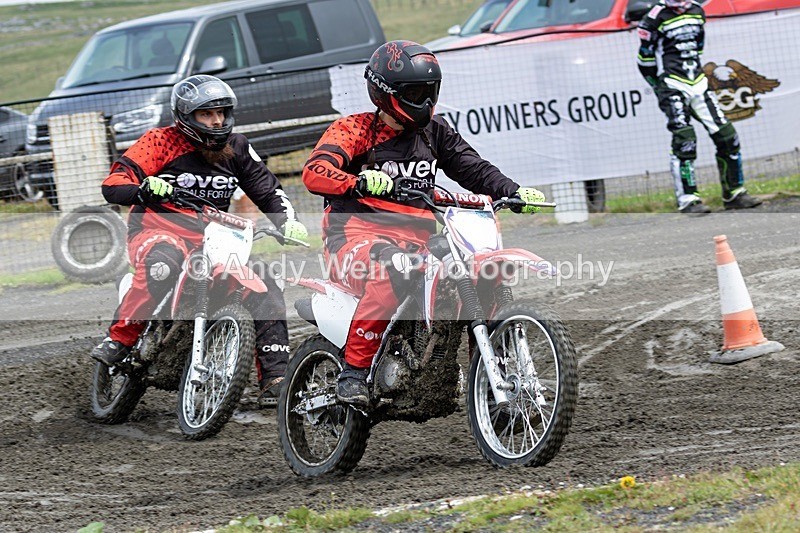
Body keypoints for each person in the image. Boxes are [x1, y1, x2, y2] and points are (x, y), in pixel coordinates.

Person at [301, 40, 546, 406]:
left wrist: (512, 190)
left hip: (418, 240)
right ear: (385, 93)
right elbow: (314, 171)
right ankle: (354, 371)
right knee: (390, 269)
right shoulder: (353, 130)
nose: (425, 101)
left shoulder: (434, 131)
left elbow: (471, 167)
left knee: (480, 276)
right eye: (415, 93)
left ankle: (495, 392)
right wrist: (357, 181)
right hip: (354, 238)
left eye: (430, 91)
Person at [91, 74, 308, 403]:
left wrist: (287, 221)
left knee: (265, 283)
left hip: (216, 238)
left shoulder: (237, 147)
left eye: (221, 112)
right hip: (158, 229)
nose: (217, 120)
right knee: (164, 263)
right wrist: (144, 188)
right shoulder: (159, 141)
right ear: (185, 117)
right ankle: (119, 339)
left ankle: (276, 379)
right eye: (207, 114)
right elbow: (114, 182)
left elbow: (268, 190)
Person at [636, 0, 763, 214]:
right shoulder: (654, 17)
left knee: (727, 135)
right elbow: (645, 59)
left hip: (699, 83)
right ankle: (688, 199)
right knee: (685, 140)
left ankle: (735, 193)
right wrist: (658, 86)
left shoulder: (697, 10)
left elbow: (699, 46)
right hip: (672, 84)